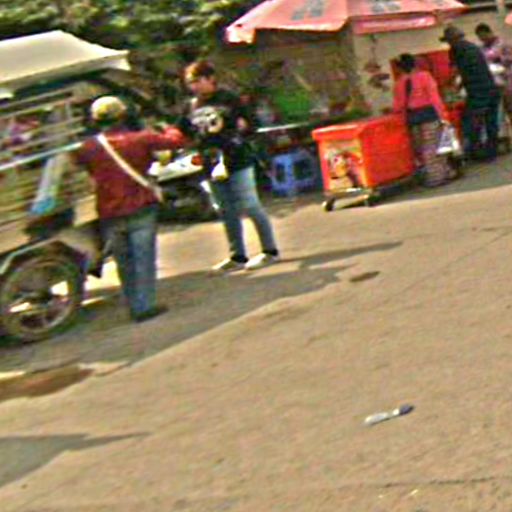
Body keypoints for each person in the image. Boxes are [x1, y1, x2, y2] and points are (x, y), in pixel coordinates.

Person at [75, 96, 184, 322]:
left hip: (109, 211)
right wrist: (169, 126)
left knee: (124, 263)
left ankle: (134, 304)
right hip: (141, 207)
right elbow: (175, 141)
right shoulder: (140, 138)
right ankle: (144, 306)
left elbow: (83, 166)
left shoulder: (89, 147)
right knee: (143, 259)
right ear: (124, 115)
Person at [178, 61, 280, 273]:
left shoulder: (229, 99)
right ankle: (237, 255)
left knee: (250, 205)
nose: (194, 86)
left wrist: (243, 128)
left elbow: (252, 123)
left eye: (197, 81)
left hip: (237, 159)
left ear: (210, 78)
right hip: (211, 162)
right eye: (190, 83)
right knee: (225, 210)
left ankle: (269, 250)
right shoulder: (191, 106)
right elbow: (182, 130)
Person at [440, 25, 501, 161]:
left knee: (470, 122)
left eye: (448, 41)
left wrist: (448, 86)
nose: (449, 43)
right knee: (491, 122)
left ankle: (474, 152)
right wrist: (459, 85)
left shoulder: (456, 49)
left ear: (451, 40)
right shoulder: (473, 47)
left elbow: (456, 71)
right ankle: (492, 153)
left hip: (478, 92)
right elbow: (470, 70)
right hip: (491, 88)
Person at [393, 53, 453, 187]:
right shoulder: (425, 76)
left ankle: (439, 172)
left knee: (421, 148)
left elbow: (398, 105)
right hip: (429, 114)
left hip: (412, 118)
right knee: (433, 145)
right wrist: (443, 115)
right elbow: (434, 97)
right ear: (415, 64)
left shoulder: (399, 83)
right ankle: (437, 176)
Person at [475, 23, 512, 124]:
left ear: (490, 32)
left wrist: (500, 59)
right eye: (480, 38)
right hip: (493, 83)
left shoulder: (503, 44)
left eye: (484, 36)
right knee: (502, 110)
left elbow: (510, 57)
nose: (483, 39)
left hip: (507, 79)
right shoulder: (481, 48)